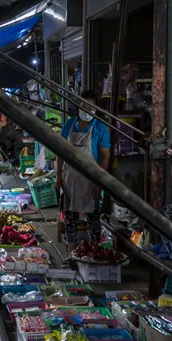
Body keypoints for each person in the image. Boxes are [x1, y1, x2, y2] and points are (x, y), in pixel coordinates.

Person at [55, 90, 111, 251]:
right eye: (84, 104)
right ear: (78, 105)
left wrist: (99, 182)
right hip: (70, 179)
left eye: (91, 106)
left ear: (96, 108)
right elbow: (60, 152)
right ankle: (72, 253)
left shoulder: (100, 128)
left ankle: (95, 251)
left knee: (93, 218)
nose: (87, 108)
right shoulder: (69, 124)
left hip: (90, 180)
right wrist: (58, 177)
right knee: (70, 217)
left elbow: (105, 157)